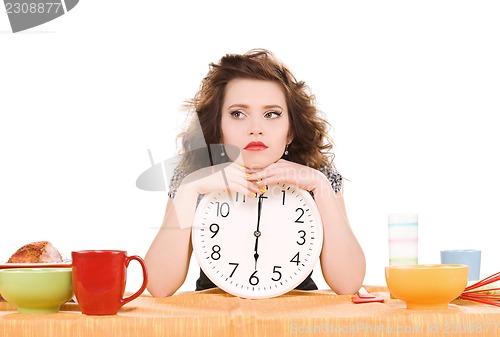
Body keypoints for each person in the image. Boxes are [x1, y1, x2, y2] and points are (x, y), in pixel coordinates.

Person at [145, 49, 366, 297]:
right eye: (238, 114)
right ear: (218, 128)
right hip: (215, 318)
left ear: (290, 130)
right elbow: (158, 286)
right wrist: (190, 187)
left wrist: (320, 185)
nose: (256, 129)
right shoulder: (195, 176)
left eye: (272, 114)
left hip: (297, 314)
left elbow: (348, 285)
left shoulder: (316, 175)